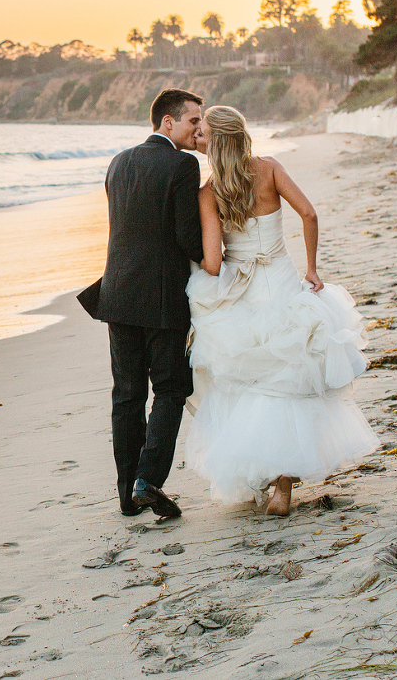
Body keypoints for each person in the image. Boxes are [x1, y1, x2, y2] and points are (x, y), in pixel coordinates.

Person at [185, 105, 378, 516]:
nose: (197, 136)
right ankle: (283, 488)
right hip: (284, 284)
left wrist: (194, 265)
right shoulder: (269, 169)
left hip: (243, 294)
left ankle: (261, 478)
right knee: (293, 378)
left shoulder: (208, 191)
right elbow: (308, 213)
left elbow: (215, 263)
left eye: (202, 131)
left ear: (215, 141)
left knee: (250, 383)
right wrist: (311, 267)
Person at [78, 89, 204, 518]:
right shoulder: (183, 164)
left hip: (117, 294)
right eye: (192, 122)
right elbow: (187, 236)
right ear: (167, 122)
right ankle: (148, 479)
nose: (198, 130)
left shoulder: (118, 162)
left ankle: (126, 497)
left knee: (126, 396)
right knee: (171, 387)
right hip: (163, 297)